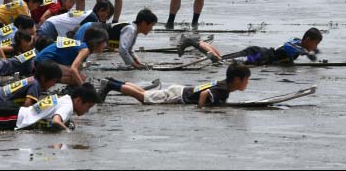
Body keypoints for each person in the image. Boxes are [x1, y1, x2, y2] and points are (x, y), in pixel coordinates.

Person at [98, 63, 251, 108]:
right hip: (179, 95)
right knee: (144, 97)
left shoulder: (224, 85)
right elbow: (205, 94)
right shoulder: (224, 90)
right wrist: (201, 109)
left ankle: (113, 82)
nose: (247, 83)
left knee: (144, 94)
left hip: (180, 90)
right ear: (237, 79)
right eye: (246, 79)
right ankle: (111, 85)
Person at [178, 28, 323, 65]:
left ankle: (198, 42)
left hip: (258, 54)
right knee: (220, 62)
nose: (314, 47)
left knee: (221, 59)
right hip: (257, 55)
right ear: (308, 39)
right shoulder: (294, 44)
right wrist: (306, 52)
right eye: (315, 43)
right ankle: (193, 43)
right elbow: (288, 46)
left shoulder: (297, 42)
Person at [35, 26, 109, 85]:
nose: (106, 45)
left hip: (40, 61)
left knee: (78, 75)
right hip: (44, 62)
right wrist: (83, 87)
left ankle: (46, 79)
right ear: (97, 41)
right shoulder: (85, 49)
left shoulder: (82, 46)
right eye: (105, 41)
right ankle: (45, 80)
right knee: (81, 77)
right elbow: (73, 69)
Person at [37, 0, 114, 40]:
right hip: (50, 30)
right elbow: (85, 38)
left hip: (50, 25)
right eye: (103, 11)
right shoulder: (92, 17)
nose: (105, 15)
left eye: (108, 13)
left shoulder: (87, 14)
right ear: (98, 9)